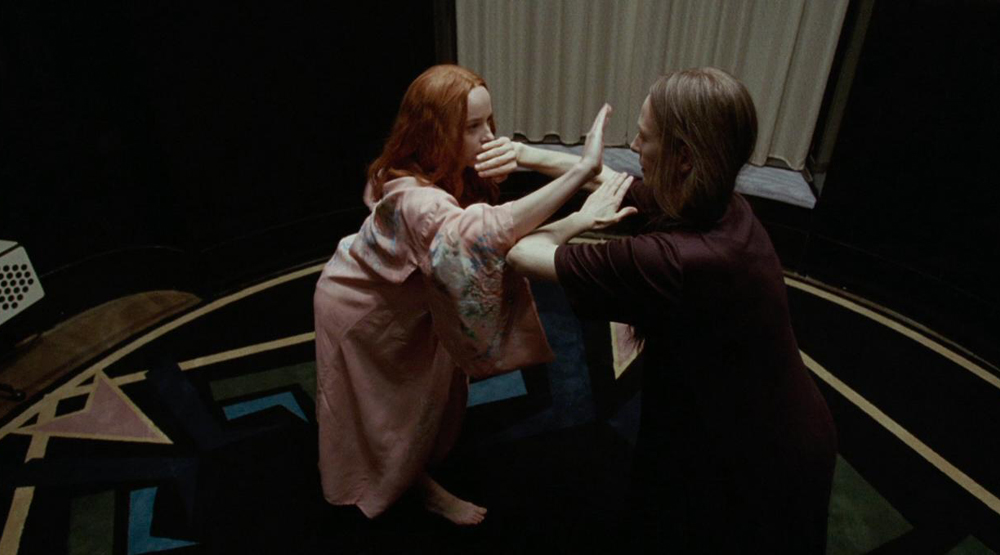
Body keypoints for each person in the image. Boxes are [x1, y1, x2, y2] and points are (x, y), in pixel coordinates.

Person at [501, 67, 837, 552]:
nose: (633, 147)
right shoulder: (718, 204)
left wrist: (580, 220)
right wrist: (523, 153)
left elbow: (522, 254)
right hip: (738, 420)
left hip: (759, 456)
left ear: (683, 157)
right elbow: (611, 179)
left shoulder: (677, 261)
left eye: (644, 137)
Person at [313, 64, 613, 525]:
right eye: (472, 126)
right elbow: (487, 236)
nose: (488, 135)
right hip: (363, 313)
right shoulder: (420, 202)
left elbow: (479, 241)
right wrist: (581, 174)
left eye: (488, 121)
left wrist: (537, 169)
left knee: (420, 394)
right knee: (386, 409)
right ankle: (417, 487)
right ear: (435, 131)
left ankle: (413, 469)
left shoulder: (424, 168)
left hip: (401, 302)